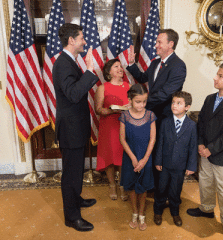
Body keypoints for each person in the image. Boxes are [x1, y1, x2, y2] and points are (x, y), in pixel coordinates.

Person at [187, 63, 223, 240]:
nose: (215, 78)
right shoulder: (209, 99)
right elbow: (202, 122)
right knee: (205, 182)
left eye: (220, 76)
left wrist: (210, 149)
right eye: (217, 75)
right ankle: (206, 209)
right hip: (205, 151)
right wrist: (200, 144)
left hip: (221, 155)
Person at [53, 23, 99, 232]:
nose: (85, 41)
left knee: (76, 169)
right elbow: (73, 94)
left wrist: (87, 69)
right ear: (71, 40)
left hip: (76, 127)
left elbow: (76, 90)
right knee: (71, 174)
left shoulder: (70, 61)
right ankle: (72, 217)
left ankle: (76, 199)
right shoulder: (63, 63)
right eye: (81, 37)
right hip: (70, 130)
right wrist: (89, 70)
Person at [153, 91, 198, 227]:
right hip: (165, 164)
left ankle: (175, 211)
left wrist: (191, 166)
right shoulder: (165, 122)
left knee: (175, 190)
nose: (174, 106)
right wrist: (158, 160)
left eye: (179, 103)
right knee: (161, 188)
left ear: (187, 107)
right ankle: (158, 211)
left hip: (180, 166)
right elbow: (160, 142)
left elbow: (193, 147)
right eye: (173, 102)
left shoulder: (192, 126)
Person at [127, 29, 186, 129]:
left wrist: (141, 102)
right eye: (156, 42)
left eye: (159, 42)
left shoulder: (178, 66)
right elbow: (142, 78)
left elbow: (165, 94)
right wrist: (132, 63)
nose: (155, 45)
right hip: (151, 115)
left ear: (170, 44)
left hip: (165, 117)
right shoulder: (155, 63)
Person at [119, 84, 157, 231]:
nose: (142, 105)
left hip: (145, 157)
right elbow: (122, 139)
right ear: (130, 100)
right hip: (130, 157)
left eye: (144, 101)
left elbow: (152, 139)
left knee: (143, 187)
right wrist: (134, 159)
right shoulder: (124, 116)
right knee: (132, 187)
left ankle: (142, 214)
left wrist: (145, 159)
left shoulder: (150, 115)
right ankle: (134, 212)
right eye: (138, 102)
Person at [94, 59, 130, 201]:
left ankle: (122, 185)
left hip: (124, 125)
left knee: (122, 156)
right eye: (116, 67)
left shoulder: (128, 86)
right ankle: (112, 185)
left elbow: (134, 104)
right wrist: (110, 111)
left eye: (121, 66)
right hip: (108, 125)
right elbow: (98, 109)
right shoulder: (103, 88)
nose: (120, 68)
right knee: (109, 155)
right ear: (109, 72)